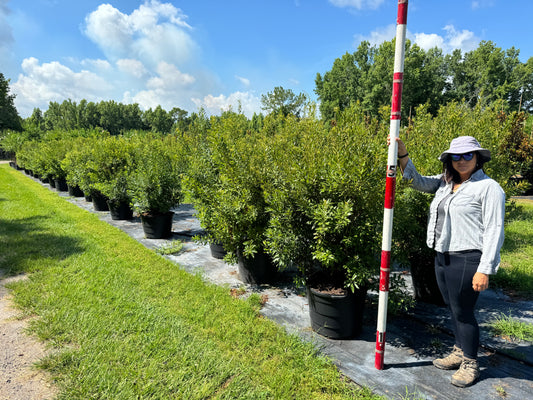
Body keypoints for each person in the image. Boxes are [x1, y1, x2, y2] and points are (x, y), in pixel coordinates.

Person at [391, 135, 505, 388]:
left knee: (463, 312)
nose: (462, 161)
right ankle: (459, 350)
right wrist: (402, 154)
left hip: (467, 258)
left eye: (467, 155)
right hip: (442, 255)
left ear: (477, 158)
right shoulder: (445, 182)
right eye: (456, 156)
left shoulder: (489, 188)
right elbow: (415, 181)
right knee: (452, 308)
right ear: (450, 160)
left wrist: (484, 269)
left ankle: (470, 363)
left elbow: (495, 229)